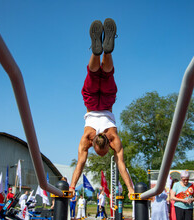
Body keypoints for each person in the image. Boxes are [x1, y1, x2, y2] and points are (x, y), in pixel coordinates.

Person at [69, 18, 134, 198]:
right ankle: (96, 53)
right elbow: (80, 164)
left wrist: (131, 188)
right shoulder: (86, 139)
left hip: (107, 103)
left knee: (106, 74)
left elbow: (121, 164)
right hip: (91, 104)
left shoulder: (113, 138)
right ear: (95, 144)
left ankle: (105, 51)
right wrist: (72, 186)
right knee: (92, 73)